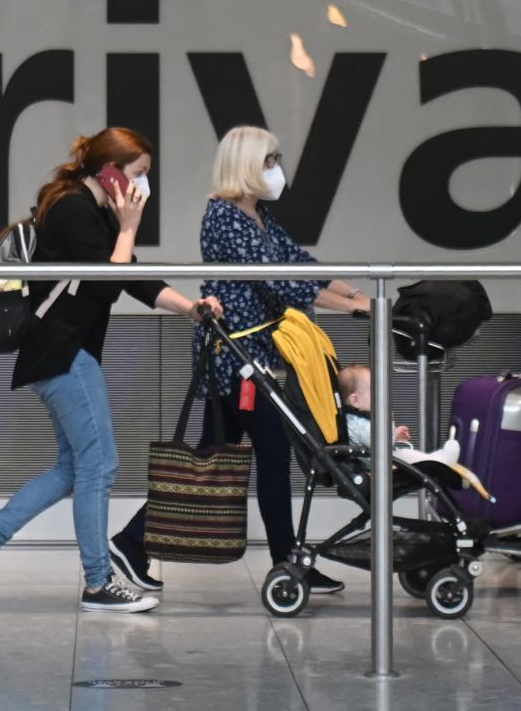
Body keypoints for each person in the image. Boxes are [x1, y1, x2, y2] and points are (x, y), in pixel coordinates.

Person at [0, 128, 223, 613]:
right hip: (62, 353)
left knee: (74, 468)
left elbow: (133, 277)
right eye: (138, 174)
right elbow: (107, 283)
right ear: (111, 172)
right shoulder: (74, 210)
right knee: (100, 463)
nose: (143, 188)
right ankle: (98, 583)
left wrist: (190, 308)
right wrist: (128, 227)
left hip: (61, 352)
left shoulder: (90, 212)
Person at [108, 125, 370, 594]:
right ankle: (288, 563)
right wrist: (355, 306)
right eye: (268, 160)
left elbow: (300, 266)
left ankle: (131, 542)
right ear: (245, 164)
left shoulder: (258, 215)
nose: (276, 170)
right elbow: (281, 285)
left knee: (209, 457)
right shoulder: (223, 217)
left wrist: (357, 292)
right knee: (270, 451)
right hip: (237, 360)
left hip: (253, 356)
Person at [336, 364, 459, 465]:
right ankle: (439, 462)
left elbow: (375, 436)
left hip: (377, 461)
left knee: (405, 454)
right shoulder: (355, 423)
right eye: (375, 391)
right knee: (404, 456)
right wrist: (388, 419)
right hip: (373, 467)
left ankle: (437, 459)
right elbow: (381, 441)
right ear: (355, 401)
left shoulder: (356, 419)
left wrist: (395, 433)